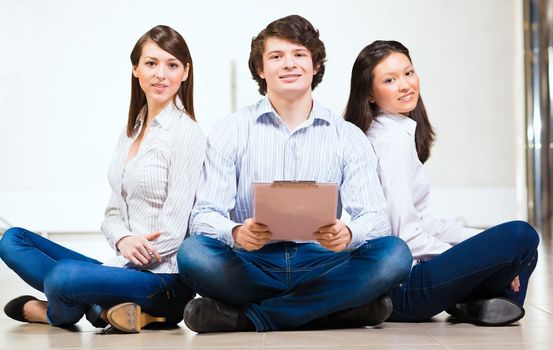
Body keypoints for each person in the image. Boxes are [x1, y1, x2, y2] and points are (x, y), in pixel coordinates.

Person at [177, 15, 412, 333]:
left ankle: (253, 318)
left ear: (315, 65)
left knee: (395, 254)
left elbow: (376, 218)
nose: (289, 64)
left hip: (322, 262)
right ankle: (331, 309)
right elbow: (204, 216)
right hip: (253, 263)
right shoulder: (230, 130)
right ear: (261, 70)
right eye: (276, 56)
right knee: (193, 253)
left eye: (299, 54)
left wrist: (348, 233)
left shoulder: (347, 135)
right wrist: (236, 233)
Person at [0, 25, 206, 333]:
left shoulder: (186, 133)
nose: (161, 74)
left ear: (185, 72)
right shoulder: (131, 132)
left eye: (172, 65)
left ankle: (59, 314)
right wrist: (123, 239)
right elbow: (112, 213)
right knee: (13, 239)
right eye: (151, 63)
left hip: (163, 280)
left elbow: (175, 232)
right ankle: (100, 307)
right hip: (122, 267)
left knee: (62, 277)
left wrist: (123, 260)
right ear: (136, 69)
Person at [344, 40, 540, 326]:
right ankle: (483, 304)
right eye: (390, 80)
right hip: (402, 289)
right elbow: (406, 237)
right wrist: (472, 259)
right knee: (522, 237)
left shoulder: (395, 132)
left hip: (407, 284)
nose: (405, 85)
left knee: (521, 250)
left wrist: (479, 242)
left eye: (408, 73)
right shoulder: (390, 142)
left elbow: (424, 221)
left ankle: (472, 306)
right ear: (370, 95)